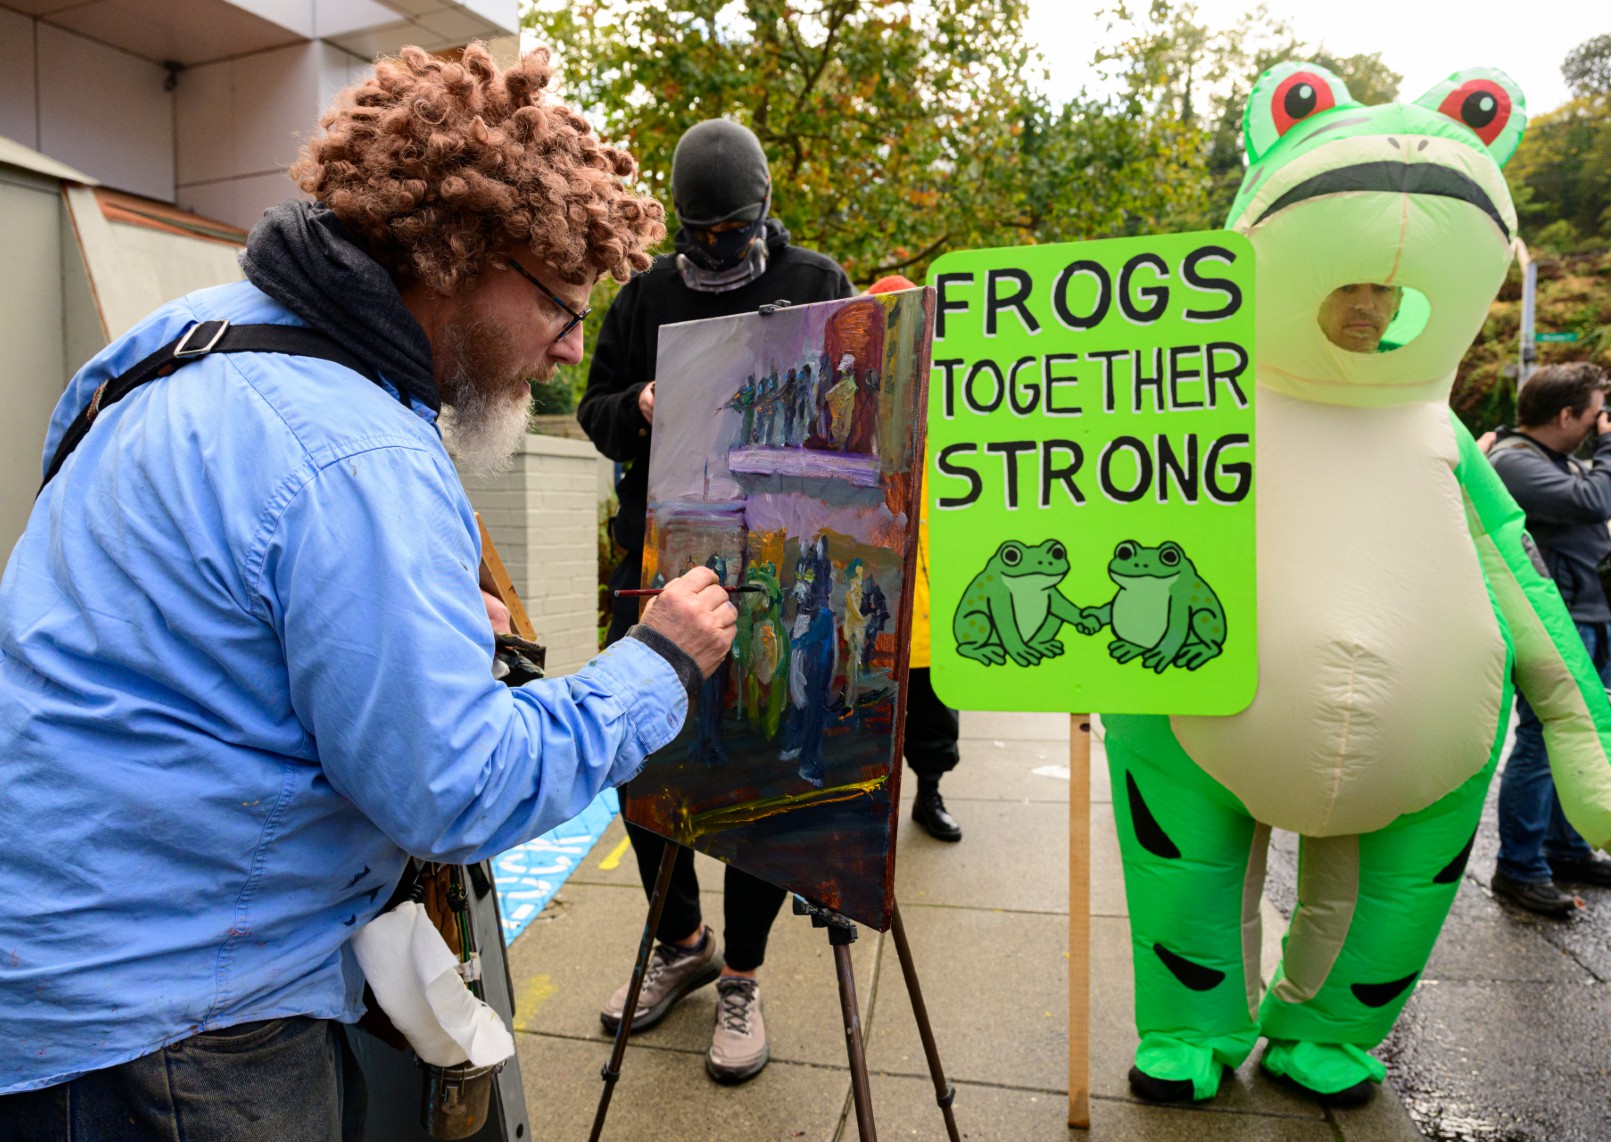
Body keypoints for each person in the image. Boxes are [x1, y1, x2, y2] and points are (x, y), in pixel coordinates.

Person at [0, 44, 738, 1138]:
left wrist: (404, 627)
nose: (570, 349)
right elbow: (454, 790)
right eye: (560, 305)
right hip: (183, 1021)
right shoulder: (359, 456)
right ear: (458, 255)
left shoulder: (169, 342)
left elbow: (183, 614)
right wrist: (657, 665)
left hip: (57, 969)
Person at [576, 118, 853, 1084]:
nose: (721, 251)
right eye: (704, 236)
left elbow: (854, 400)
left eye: (736, 233)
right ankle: (681, 938)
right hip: (661, 567)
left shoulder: (815, 281)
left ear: (765, 210)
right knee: (639, 758)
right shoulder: (644, 295)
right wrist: (642, 405)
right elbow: (592, 406)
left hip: (774, 559)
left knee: (758, 772)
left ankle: (741, 974)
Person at [1488, 362, 1611, 915]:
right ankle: (1519, 867)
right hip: (1557, 623)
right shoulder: (1513, 462)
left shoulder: (1546, 459)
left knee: (1581, 740)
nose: (1603, 424)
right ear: (1566, 414)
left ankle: (1565, 848)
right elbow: (1589, 501)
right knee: (1544, 742)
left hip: (1586, 614)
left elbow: (1597, 502)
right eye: (1596, 415)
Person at [861, 273, 964, 841]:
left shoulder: (949, 408)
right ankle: (869, 808)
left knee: (931, 715)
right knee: (870, 713)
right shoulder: (858, 408)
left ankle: (929, 795)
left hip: (933, 595)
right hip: (876, 589)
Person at [1316, 282, 1402, 353]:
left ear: (1397, 302)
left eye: (1382, 288)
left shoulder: (1410, 365)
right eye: (1345, 287)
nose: (1365, 306)